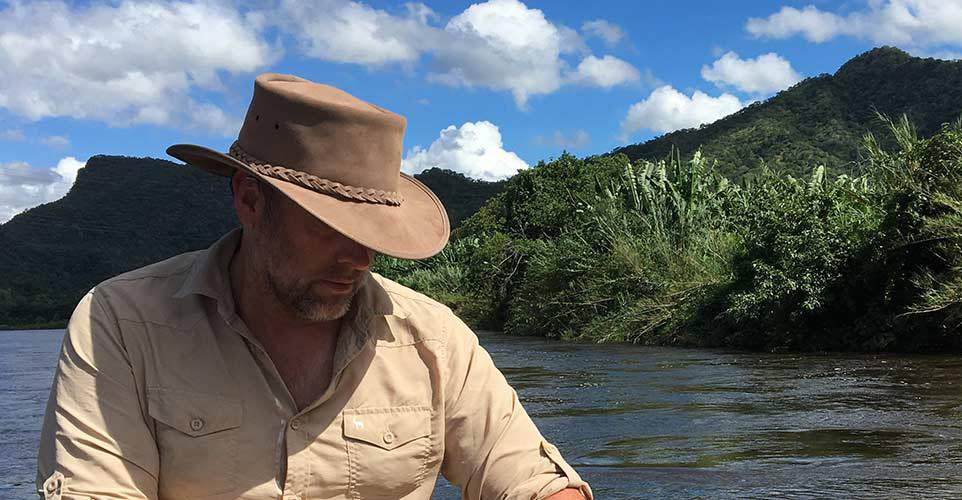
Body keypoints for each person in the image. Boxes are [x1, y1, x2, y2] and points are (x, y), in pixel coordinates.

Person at [36, 73, 592, 500]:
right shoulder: (123, 324)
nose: (359, 258)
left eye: (374, 233)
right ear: (249, 200)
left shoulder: (434, 338)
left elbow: (528, 475)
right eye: (329, 227)